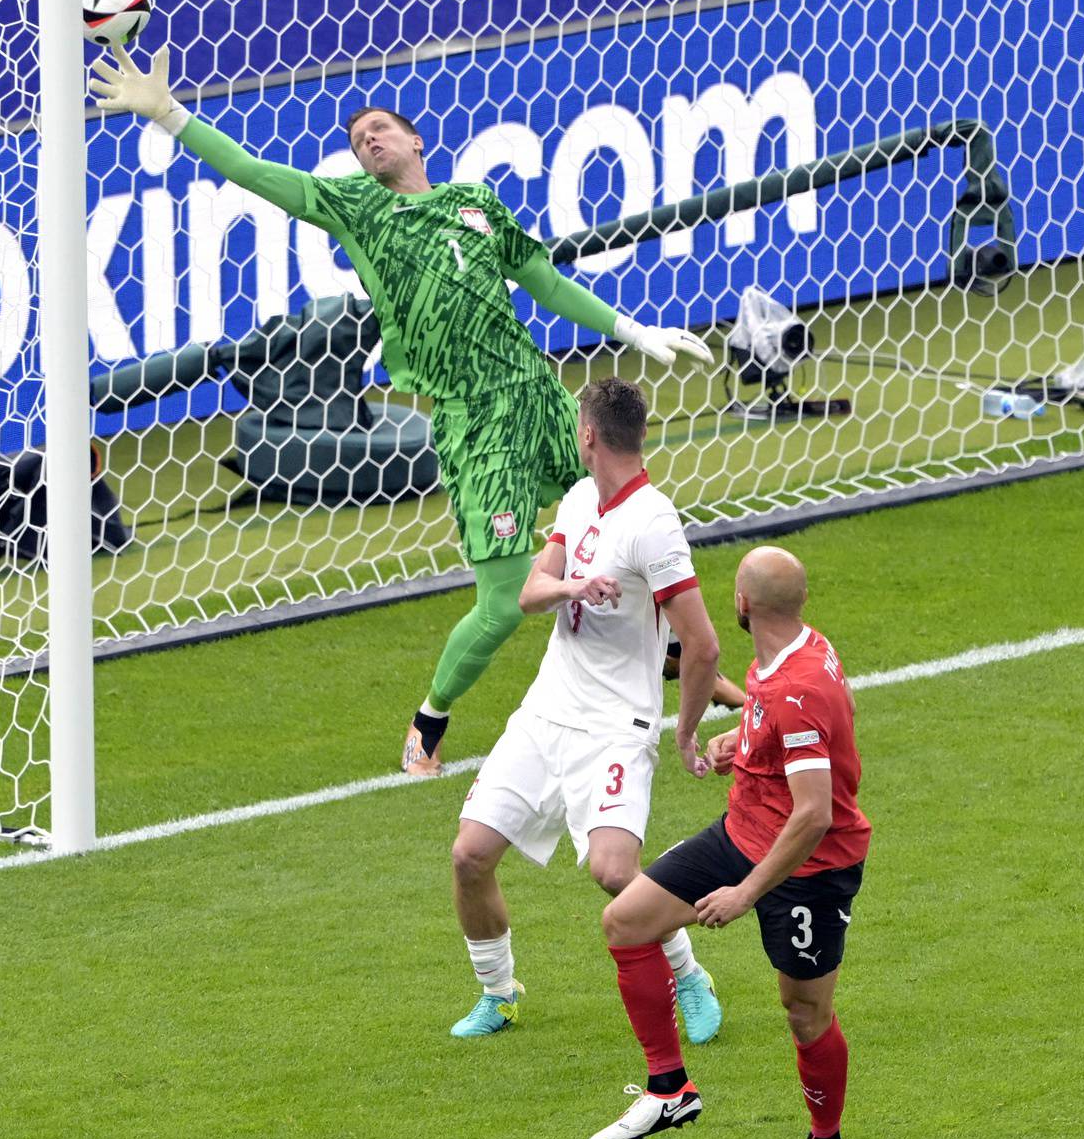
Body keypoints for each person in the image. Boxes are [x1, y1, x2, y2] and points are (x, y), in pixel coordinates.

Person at [88, 47, 712, 775]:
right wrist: (172, 115)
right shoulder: (358, 206)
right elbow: (260, 175)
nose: (368, 141)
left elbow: (542, 280)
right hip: (474, 424)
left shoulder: (474, 204)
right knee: (508, 601)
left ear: (417, 140)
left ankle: (672, 650)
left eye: (379, 129)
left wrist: (631, 329)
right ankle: (428, 724)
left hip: (538, 393)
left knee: (630, 515)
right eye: (358, 141)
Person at [446, 377, 724, 1045]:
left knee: (614, 871)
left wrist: (683, 730)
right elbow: (532, 592)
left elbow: (704, 645)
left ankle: (688, 974)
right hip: (547, 712)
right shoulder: (578, 498)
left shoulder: (653, 524)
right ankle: (499, 992)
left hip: (616, 726)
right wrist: (575, 582)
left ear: (589, 435)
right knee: (469, 855)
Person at [586, 544, 869, 1139]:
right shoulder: (790, 649)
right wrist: (741, 745)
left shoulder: (799, 685)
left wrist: (743, 892)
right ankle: (669, 1088)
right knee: (627, 921)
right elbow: (783, 732)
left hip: (809, 867)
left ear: (743, 603)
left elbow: (814, 813)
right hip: (743, 830)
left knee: (804, 1011)